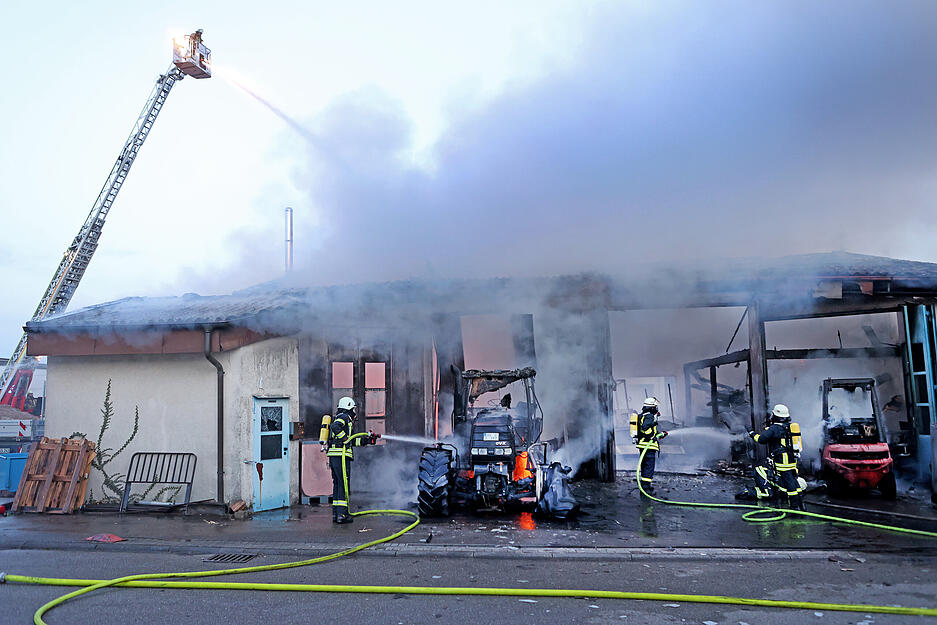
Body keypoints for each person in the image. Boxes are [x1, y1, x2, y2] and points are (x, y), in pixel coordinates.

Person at [326, 397, 378, 523]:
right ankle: (342, 516)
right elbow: (335, 427)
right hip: (341, 457)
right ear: (349, 407)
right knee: (343, 486)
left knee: (338, 485)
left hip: (336, 456)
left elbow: (352, 441)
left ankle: (337, 515)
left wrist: (367, 440)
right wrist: (344, 438)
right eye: (353, 409)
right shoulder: (344, 417)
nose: (354, 412)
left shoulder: (343, 418)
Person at [749, 404, 805, 511]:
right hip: (792, 460)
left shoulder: (775, 428)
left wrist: (752, 433)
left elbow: (761, 440)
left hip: (783, 462)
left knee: (789, 484)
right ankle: (801, 504)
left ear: (775, 415)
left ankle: (794, 507)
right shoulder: (789, 426)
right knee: (793, 481)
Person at [634, 397, 668, 495]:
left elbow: (650, 430)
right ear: (651, 407)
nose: (657, 408)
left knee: (645, 466)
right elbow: (645, 429)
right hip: (648, 446)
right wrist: (651, 436)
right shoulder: (649, 416)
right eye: (655, 407)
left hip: (643, 445)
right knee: (649, 467)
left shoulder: (643, 415)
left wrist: (659, 434)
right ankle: (646, 489)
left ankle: (645, 486)